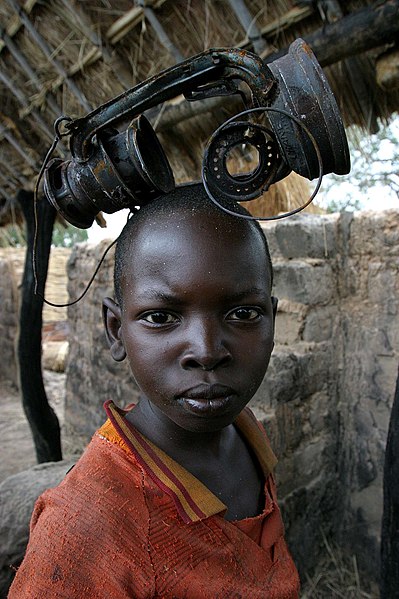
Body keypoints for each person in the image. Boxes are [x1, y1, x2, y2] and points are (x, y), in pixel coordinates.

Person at [9, 183, 300, 598]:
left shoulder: (246, 434)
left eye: (243, 313)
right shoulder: (85, 528)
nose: (206, 351)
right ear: (116, 330)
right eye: (161, 316)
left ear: (272, 320)